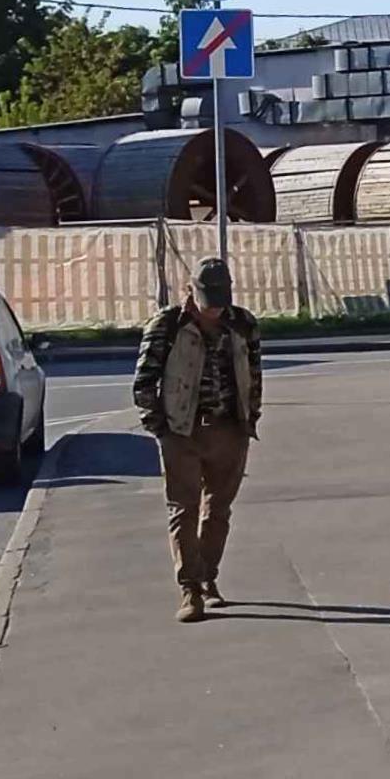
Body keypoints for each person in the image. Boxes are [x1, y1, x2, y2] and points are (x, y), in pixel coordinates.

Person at [133, 257, 264, 624]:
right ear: (190, 290)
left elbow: (254, 373)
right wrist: (159, 428)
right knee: (183, 509)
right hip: (182, 431)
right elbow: (144, 381)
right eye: (209, 300)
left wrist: (250, 418)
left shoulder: (243, 323)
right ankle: (189, 588)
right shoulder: (167, 324)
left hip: (230, 430)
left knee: (218, 510)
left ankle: (208, 578)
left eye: (221, 300)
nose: (215, 308)